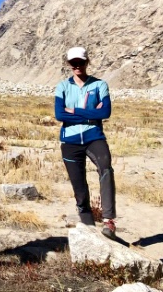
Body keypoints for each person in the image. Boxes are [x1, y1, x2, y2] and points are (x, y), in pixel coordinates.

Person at [54, 46, 117, 239]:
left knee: (105, 168)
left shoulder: (100, 85)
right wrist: (91, 114)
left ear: (87, 62)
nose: (77, 66)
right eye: (74, 63)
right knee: (79, 185)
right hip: (70, 141)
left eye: (81, 62)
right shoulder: (62, 87)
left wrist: (73, 112)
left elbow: (105, 112)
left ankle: (108, 220)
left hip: (94, 136)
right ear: (69, 65)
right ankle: (88, 226)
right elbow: (59, 114)